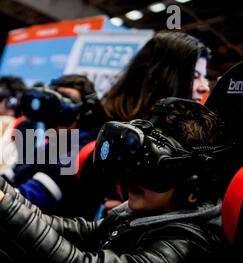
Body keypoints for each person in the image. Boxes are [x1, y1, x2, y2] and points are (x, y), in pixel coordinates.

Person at [0, 97, 228, 263]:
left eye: (154, 173)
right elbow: (59, 227)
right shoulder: (143, 214)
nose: (134, 178)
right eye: (135, 163)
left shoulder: (186, 248)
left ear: (193, 186)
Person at [79, 31, 212, 219]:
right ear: (163, 76)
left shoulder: (193, 138)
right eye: (195, 76)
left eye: (205, 77)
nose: (204, 86)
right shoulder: (103, 130)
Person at [3, 74, 99, 217]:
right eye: (56, 96)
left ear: (84, 112)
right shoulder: (50, 142)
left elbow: (26, 199)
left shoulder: (80, 152)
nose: (58, 104)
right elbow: (10, 178)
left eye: (66, 98)